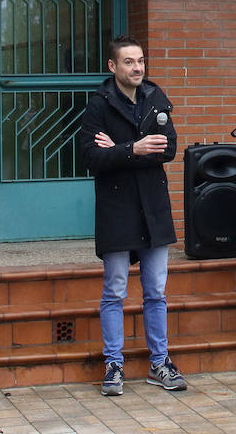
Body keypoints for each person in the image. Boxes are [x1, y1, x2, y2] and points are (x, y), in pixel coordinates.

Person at [76, 35, 186, 397]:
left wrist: (121, 151)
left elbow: (168, 147)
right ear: (113, 67)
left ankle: (160, 362)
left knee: (156, 291)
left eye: (140, 61)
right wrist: (134, 149)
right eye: (129, 62)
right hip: (117, 209)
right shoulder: (98, 105)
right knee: (115, 291)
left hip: (153, 208)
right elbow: (91, 157)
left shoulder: (157, 97)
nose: (137, 68)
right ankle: (114, 364)